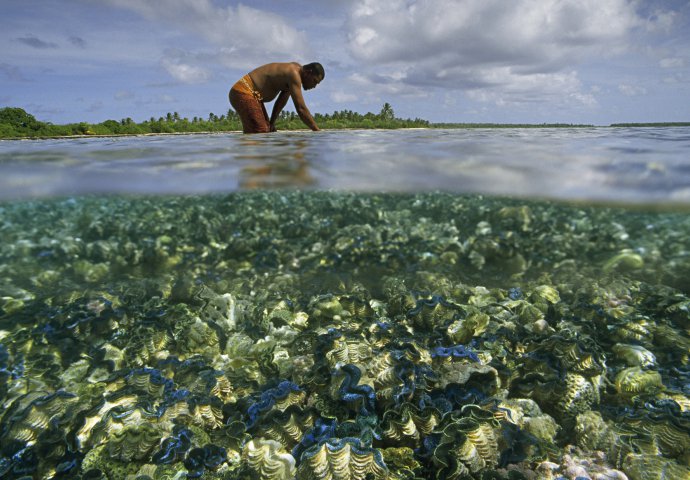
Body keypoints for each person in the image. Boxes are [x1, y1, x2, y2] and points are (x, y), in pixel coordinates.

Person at [229, 62, 324, 133]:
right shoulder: (294, 74)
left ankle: (250, 157)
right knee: (261, 131)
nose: (314, 86)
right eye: (315, 81)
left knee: (267, 130)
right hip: (243, 91)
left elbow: (281, 101)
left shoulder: (293, 75)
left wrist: (272, 122)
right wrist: (316, 130)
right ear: (308, 72)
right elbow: (301, 109)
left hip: (253, 97)